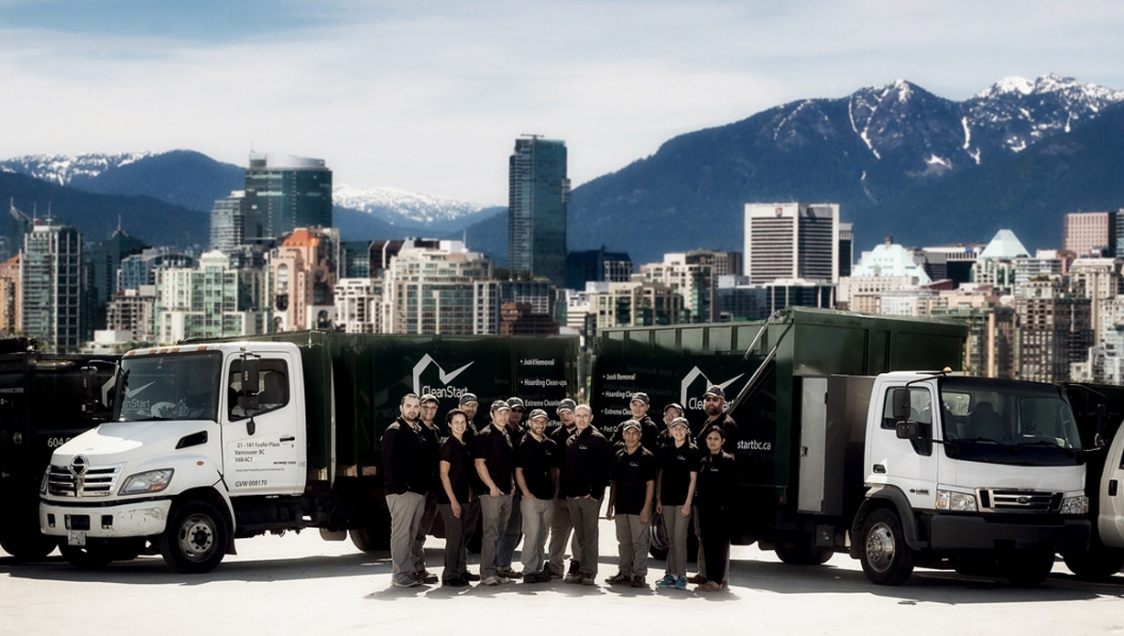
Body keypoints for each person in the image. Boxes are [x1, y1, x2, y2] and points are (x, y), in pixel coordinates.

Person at [688, 385, 738, 585]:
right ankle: (705, 572)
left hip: (716, 494)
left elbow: (730, 460)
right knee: (703, 536)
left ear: (723, 402)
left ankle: (720, 578)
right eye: (707, 399)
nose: (710, 402)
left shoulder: (727, 424)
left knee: (719, 539)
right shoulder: (708, 422)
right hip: (704, 490)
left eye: (715, 399)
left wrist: (723, 498)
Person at [381, 393, 430, 588]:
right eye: (408, 406)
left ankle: (407, 573)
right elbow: (390, 464)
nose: (412, 409)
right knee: (401, 535)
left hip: (418, 492)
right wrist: (401, 489)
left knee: (411, 535)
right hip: (402, 493)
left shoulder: (416, 429)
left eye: (416, 406)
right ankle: (400, 576)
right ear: (401, 408)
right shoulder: (395, 431)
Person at [562, 404, 613, 586]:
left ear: (591, 418)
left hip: (589, 498)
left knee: (590, 537)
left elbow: (604, 470)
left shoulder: (598, 440)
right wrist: (568, 494)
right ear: (574, 418)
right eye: (578, 416)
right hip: (573, 497)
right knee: (581, 536)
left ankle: (589, 572)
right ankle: (581, 569)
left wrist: (595, 494)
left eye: (585, 416)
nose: (582, 419)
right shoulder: (570, 440)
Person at [605, 420, 657, 588]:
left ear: (640, 435)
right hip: (621, 507)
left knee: (640, 543)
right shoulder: (618, 456)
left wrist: (646, 508)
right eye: (628, 433)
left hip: (638, 508)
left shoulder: (647, 456)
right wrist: (610, 505)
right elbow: (614, 483)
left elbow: (650, 484)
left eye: (635, 433)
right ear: (623, 435)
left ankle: (639, 574)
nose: (631, 436)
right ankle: (624, 572)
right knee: (624, 542)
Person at [474, 400, 516, 586]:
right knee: (490, 534)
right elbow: (479, 463)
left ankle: (494, 570)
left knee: (499, 533)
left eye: (506, 412)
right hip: (491, 493)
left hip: (506, 492)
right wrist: (491, 486)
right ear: (492, 414)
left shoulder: (505, 434)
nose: (504, 415)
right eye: (500, 412)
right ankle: (486, 574)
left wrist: (512, 483)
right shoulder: (485, 435)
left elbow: (507, 463)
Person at [655, 416, 699, 589]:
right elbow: (660, 475)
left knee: (679, 538)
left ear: (687, 430)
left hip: (682, 501)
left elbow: (693, 479)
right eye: (675, 428)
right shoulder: (665, 449)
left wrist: (688, 502)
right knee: (670, 539)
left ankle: (682, 575)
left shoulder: (693, 451)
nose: (679, 431)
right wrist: (658, 499)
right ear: (671, 431)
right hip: (666, 500)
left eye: (682, 428)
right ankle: (670, 574)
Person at [515, 409, 558, 583]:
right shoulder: (522, 444)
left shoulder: (550, 445)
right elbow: (518, 471)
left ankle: (538, 568)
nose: (540, 425)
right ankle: (528, 570)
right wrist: (526, 493)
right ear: (530, 423)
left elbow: (555, 471)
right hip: (530, 498)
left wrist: (555, 493)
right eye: (537, 421)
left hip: (548, 497)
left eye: (543, 422)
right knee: (531, 534)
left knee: (542, 535)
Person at [694, 425, 737, 592]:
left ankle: (717, 580)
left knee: (719, 547)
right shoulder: (704, 461)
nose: (713, 442)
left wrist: (726, 509)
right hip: (705, 510)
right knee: (707, 545)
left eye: (716, 439)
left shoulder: (727, 461)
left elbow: (732, 489)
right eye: (710, 438)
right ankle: (709, 578)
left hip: (721, 512)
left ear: (723, 441)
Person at [436, 408, 473, 587]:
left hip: (463, 497)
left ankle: (459, 571)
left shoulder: (463, 446)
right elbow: (444, 475)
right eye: (456, 422)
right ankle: (450, 575)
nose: (460, 425)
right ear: (449, 425)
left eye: (463, 422)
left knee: (461, 538)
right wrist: (453, 501)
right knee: (453, 538)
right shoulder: (448, 446)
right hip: (449, 500)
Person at [409, 393, 441, 585]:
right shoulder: (414, 430)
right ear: (419, 408)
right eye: (426, 407)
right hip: (419, 489)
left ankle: (418, 567)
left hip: (433, 489)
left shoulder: (436, 430)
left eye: (433, 408)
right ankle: (413, 568)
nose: (429, 411)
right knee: (414, 530)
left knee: (423, 531)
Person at [546, 398, 580, 579]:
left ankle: (577, 564)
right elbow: (554, 467)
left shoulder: (586, 434)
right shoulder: (555, 435)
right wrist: (556, 492)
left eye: (569, 413)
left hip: (580, 493)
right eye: (563, 414)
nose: (566, 417)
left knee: (579, 533)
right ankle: (554, 566)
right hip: (560, 494)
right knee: (558, 530)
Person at [494, 396, 527, 579]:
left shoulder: (523, 433)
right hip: (500, 488)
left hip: (519, 488)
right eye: (512, 410)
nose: (515, 413)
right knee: (499, 529)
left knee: (515, 529)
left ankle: (503, 565)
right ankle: (496, 566)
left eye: (519, 411)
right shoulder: (497, 431)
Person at [456, 392, 482, 582]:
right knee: (460, 532)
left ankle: (461, 568)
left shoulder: (471, 427)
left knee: (467, 531)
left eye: (473, 405)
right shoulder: (460, 429)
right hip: (464, 489)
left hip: (473, 487)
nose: (470, 408)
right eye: (467, 405)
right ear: (460, 406)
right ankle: (455, 571)